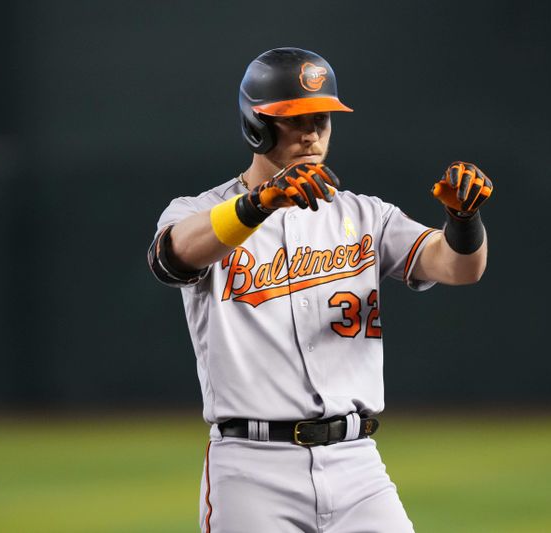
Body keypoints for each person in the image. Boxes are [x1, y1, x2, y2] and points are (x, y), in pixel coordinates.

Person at [148, 47, 493, 533]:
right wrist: (257, 205)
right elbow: (172, 256)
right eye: (295, 119)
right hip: (252, 468)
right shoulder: (199, 211)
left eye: (322, 118)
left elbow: (459, 268)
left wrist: (463, 220)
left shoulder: (367, 215)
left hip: (357, 464)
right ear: (256, 124)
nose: (312, 132)